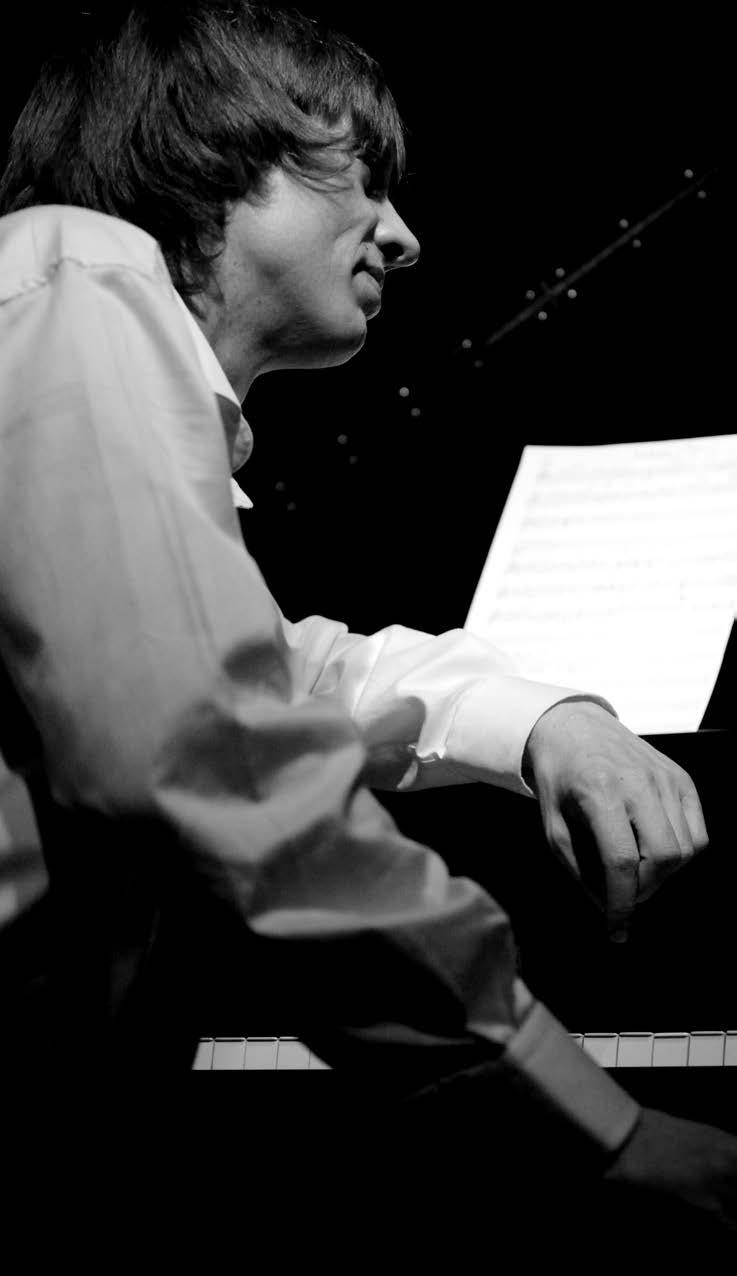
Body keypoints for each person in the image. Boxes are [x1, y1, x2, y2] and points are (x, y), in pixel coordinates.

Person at [0, 0, 734, 1243]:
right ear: (214, 151)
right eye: (362, 177)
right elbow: (212, 756)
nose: (403, 235)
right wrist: (599, 1130)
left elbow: (292, 670)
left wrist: (546, 721)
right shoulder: (77, 272)